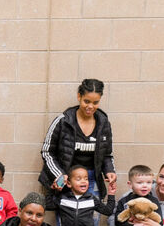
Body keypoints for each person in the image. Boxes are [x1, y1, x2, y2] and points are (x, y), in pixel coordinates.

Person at [40, 78, 116, 214]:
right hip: (68, 178)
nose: (90, 106)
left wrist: (109, 170)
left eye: (95, 102)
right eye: (87, 101)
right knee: (66, 223)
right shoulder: (63, 121)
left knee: (91, 224)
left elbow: (107, 154)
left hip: (92, 179)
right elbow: (47, 152)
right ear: (79, 96)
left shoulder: (103, 122)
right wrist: (59, 174)